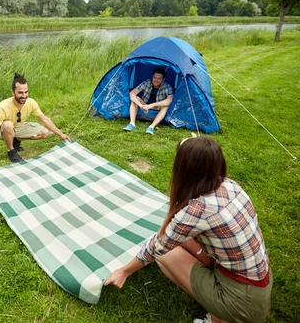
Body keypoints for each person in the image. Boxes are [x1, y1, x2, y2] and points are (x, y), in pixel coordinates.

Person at [105, 137, 271, 323]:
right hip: (257, 286)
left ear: (184, 169)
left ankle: (219, 318)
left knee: (165, 254)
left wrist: (124, 271)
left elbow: (156, 247)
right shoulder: (231, 186)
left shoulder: (197, 211)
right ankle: (220, 309)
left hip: (242, 303)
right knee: (180, 239)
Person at [0, 73, 71, 170]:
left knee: (45, 133)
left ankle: (16, 140)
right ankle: (11, 151)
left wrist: (60, 134)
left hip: (18, 126)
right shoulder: (3, 106)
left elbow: (45, 119)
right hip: (2, 130)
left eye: (26, 92)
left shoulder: (31, 103)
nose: (24, 96)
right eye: (20, 93)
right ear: (12, 92)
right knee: (8, 124)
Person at [123, 67, 173, 135]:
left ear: (163, 79)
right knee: (136, 99)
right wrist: (141, 105)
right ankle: (132, 124)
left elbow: (170, 100)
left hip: (157, 107)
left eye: (159, 78)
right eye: (154, 77)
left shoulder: (167, 87)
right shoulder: (147, 83)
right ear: (152, 77)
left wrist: (152, 105)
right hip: (144, 105)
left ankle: (151, 127)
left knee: (165, 106)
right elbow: (132, 93)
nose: (156, 80)